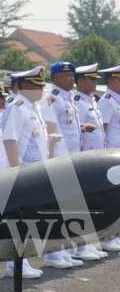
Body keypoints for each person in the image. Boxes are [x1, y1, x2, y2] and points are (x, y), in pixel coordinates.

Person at [42, 61, 104, 263]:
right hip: (59, 160)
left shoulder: (68, 98)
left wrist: (82, 128)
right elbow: (50, 132)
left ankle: (71, 248)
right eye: (67, 75)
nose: (71, 79)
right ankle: (54, 252)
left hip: (72, 157)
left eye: (72, 75)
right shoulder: (53, 99)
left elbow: (68, 128)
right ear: (56, 78)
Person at [1, 66, 47, 279]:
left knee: (29, 218)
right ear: (26, 86)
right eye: (37, 85)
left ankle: (23, 261)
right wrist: (15, 172)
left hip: (34, 171)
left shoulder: (31, 107)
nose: (41, 89)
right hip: (22, 172)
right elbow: (10, 140)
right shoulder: (18, 106)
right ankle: (15, 264)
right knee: (20, 219)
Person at [75, 64, 120, 252]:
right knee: (100, 199)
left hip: (113, 155)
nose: (94, 82)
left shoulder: (102, 100)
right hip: (105, 156)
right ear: (113, 80)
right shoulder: (107, 100)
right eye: (91, 79)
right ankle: (100, 239)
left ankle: (110, 235)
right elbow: (106, 130)